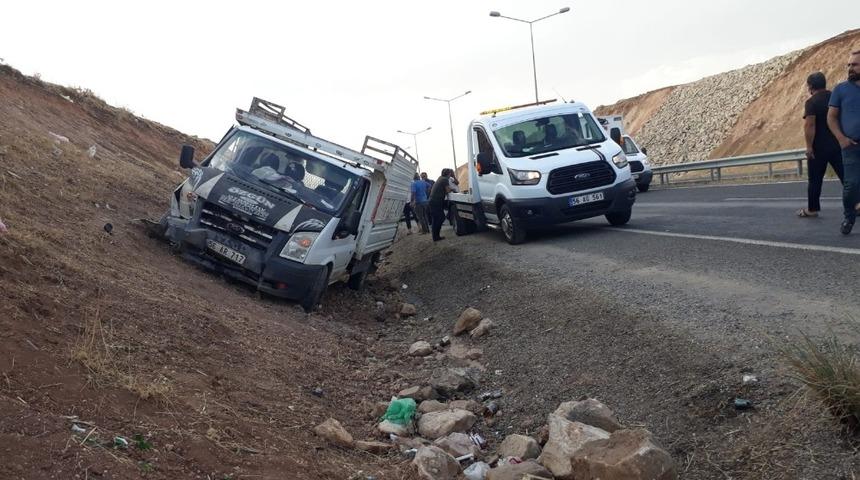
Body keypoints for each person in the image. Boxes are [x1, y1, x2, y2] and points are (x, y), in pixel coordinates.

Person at [797, 72, 844, 218]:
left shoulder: (811, 102)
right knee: (847, 176)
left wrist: (809, 147)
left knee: (815, 180)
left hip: (819, 148)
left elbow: (810, 125)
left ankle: (812, 209)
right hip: (838, 143)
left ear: (810, 86)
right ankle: (857, 203)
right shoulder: (835, 97)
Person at [827, 50, 860, 234]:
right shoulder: (840, 90)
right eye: (849, 65)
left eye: (854, 64)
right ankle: (849, 216)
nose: (850, 68)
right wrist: (841, 139)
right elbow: (831, 117)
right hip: (851, 146)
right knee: (851, 185)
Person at [429, 169, 452, 241]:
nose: (450, 175)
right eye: (450, 174)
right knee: (440, 218)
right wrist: (453, 190)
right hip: (436, 201)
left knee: (436, 219)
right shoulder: (445, 179)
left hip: (433, 201)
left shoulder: (440, 178)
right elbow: (448, 190)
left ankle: (435, 236)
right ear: (448, 174)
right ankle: (436, 236)